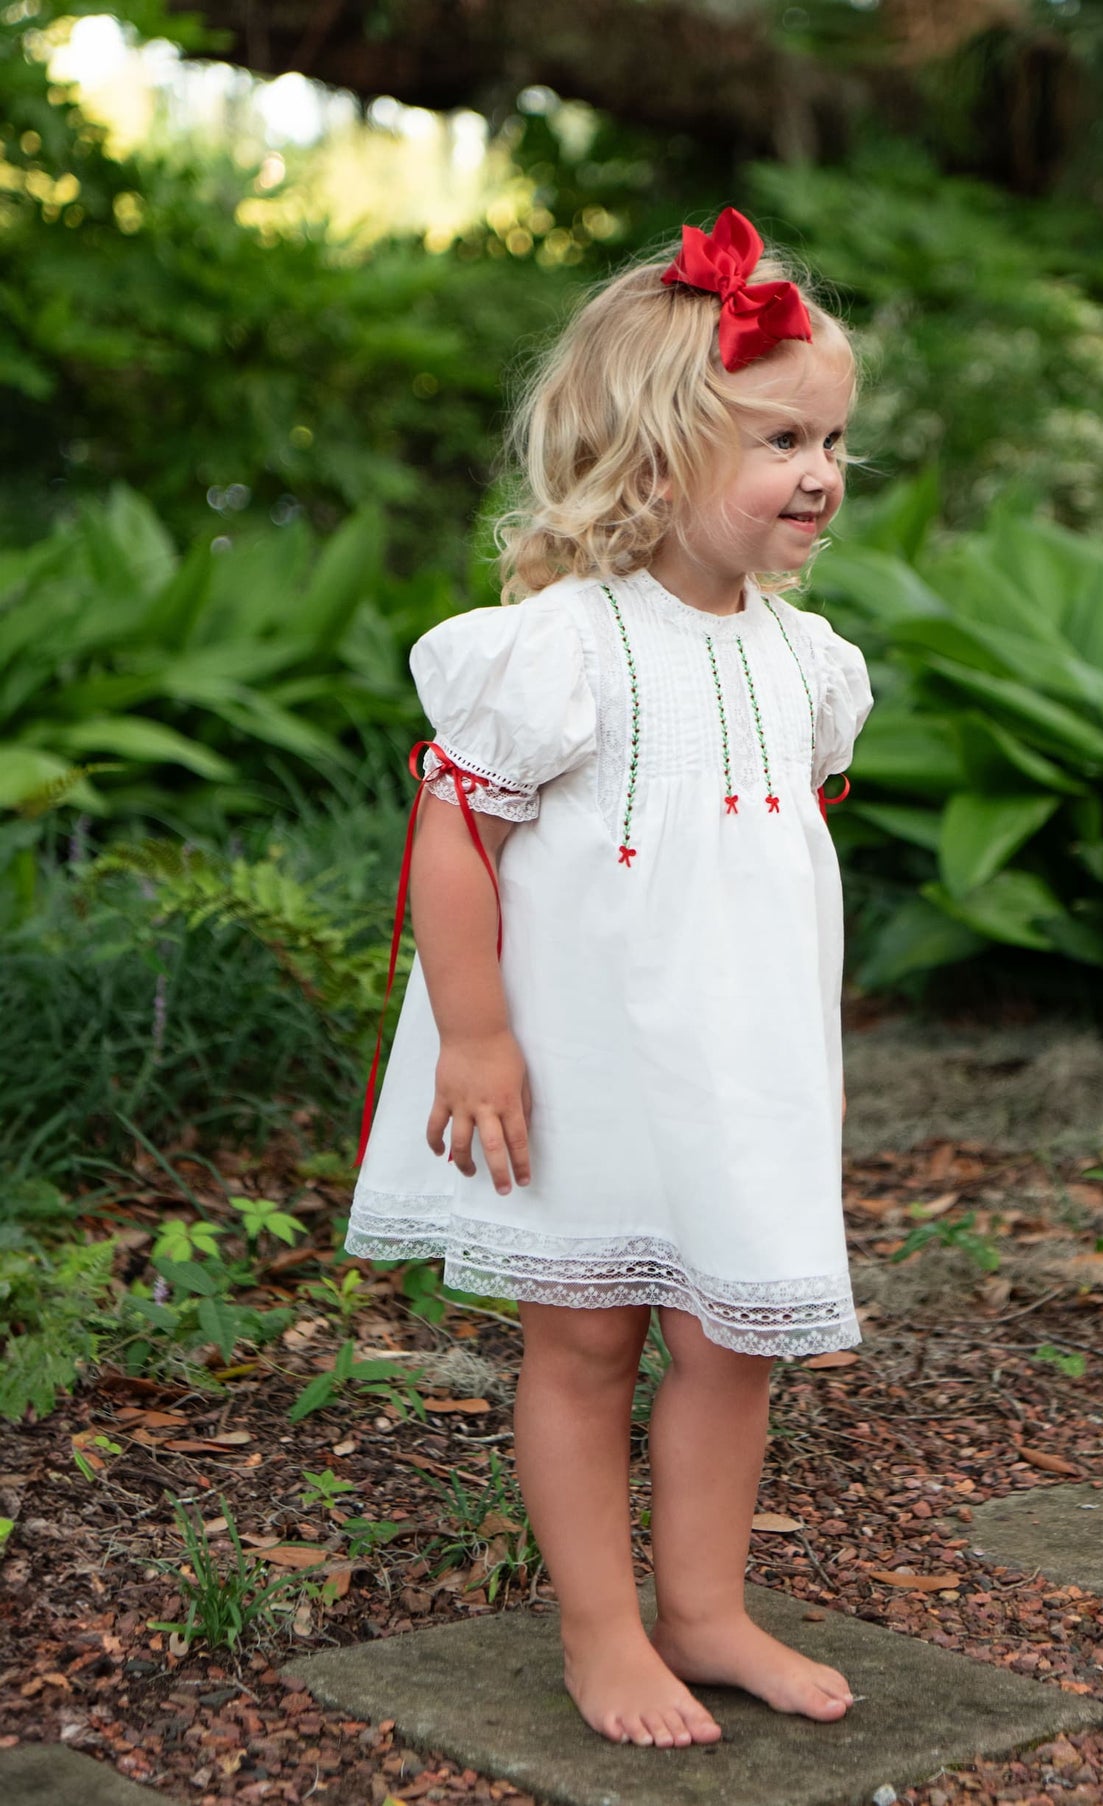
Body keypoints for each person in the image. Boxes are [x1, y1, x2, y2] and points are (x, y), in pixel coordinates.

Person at [344, 206, 874, 1751]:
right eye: (782, 439)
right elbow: (454, 835)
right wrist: (477, 1035)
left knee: (731, 1338)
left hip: (734, 1065)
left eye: (834, 438)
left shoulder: (807, 660)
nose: (822, 472)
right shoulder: (560, 647)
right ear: (652, 459)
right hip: (575, 1058)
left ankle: (705, 1607)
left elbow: (763, 872)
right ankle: (601, 1629)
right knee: (583, 1338)